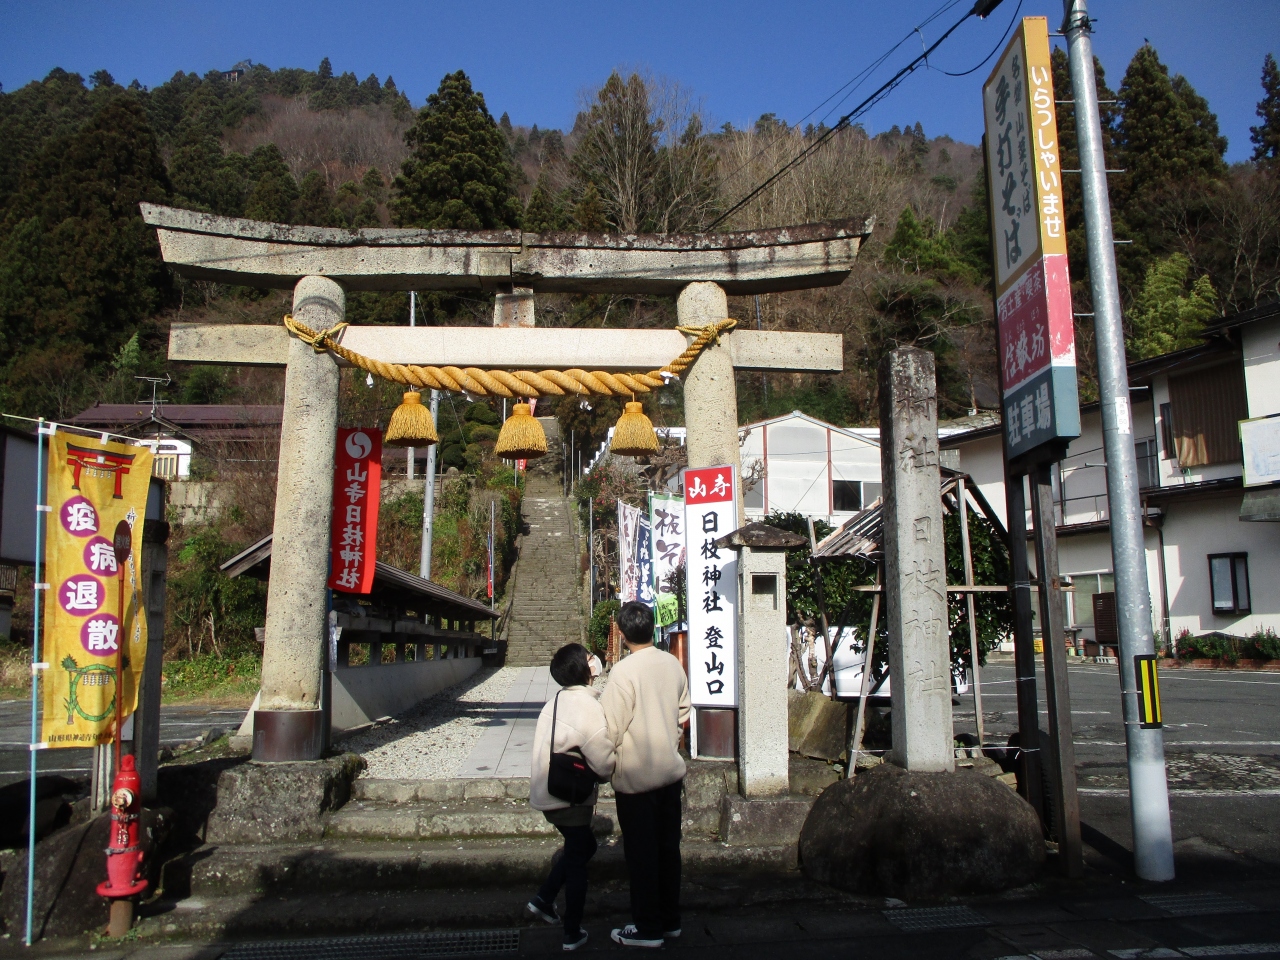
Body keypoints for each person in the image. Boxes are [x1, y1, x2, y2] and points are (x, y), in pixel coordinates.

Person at [601, 601, 691, 948]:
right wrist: (672, 738)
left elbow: (611, 727)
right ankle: (670, 920)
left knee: (641, 855)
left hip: (636, 777)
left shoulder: (623, 672)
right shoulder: (671, 663)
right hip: (669, 772)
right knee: (668, 849)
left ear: (622, 634)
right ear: (652, 627)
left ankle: (648, 927)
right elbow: (684, 712)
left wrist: (602, 764)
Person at [527, 642, 616, 951]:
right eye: (589, 657)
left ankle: (544, 898)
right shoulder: (586, 707)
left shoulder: (555, 701)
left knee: (584, 846)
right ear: (583, 668)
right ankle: (572, 932)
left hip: (549, 792)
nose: (594, 660)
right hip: (570, 798)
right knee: (578, 862)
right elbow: (603, 762)